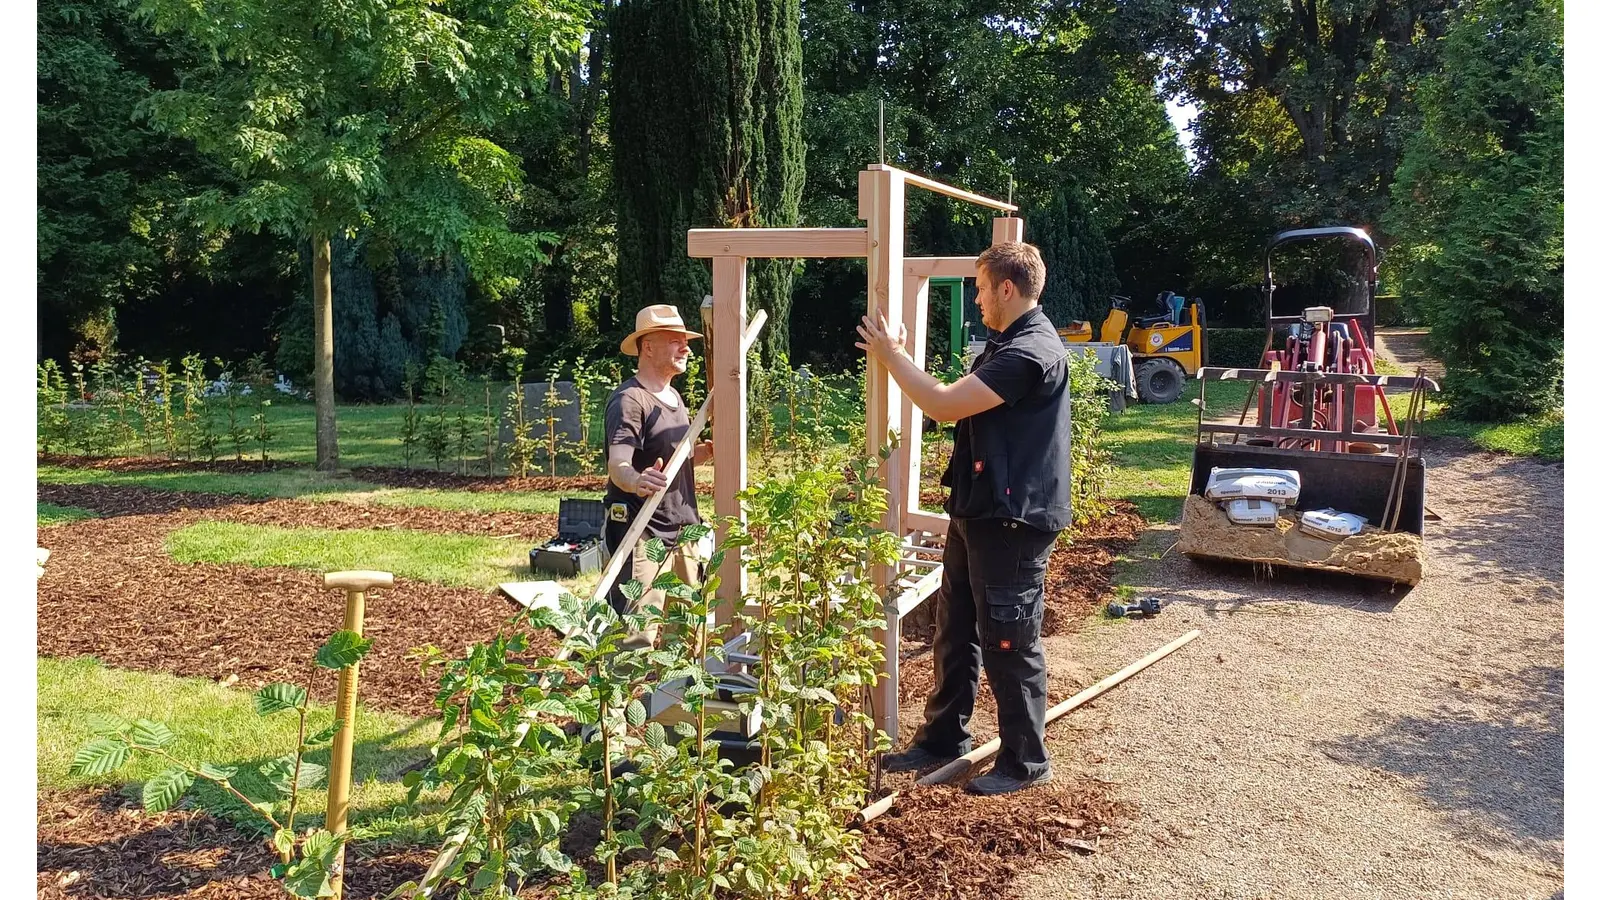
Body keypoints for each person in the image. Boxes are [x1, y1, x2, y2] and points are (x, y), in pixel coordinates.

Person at [854, 241, 1071, 796]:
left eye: (979, 287)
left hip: (1014, 520)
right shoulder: (1008, 343)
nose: (975, 299)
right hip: (979, 508)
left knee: (1009, 638)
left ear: (1006, 288)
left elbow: (945, 404)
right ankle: (944, 736)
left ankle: (1025, 761)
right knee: (956, 627)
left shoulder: (1032, 351)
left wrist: (892, 354)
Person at [603, 304, 714, 648]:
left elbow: (668, 462)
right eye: (675, 341)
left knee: (688, 636)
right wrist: (636, 481)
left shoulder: (675, 398)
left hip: (684, 532)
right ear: (647, 346)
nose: (686, 348)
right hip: (643, 534)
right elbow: (619, 464)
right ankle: (619, 703)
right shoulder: (630, 400)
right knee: (635, 637)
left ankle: (675, 702)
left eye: (686, 341)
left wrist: (703, 454)